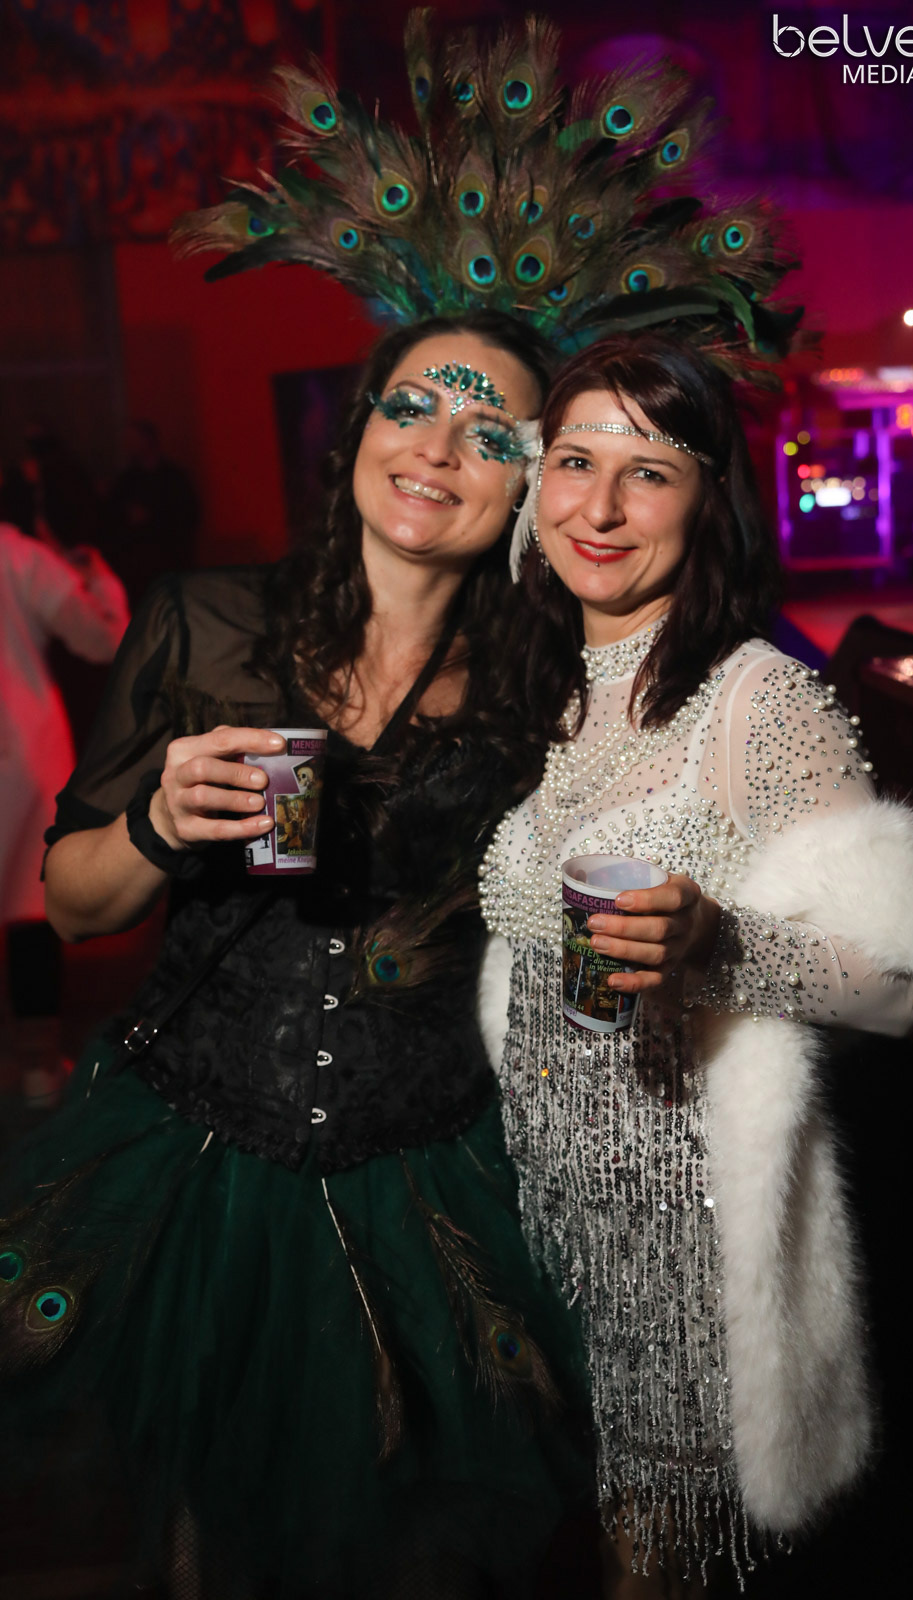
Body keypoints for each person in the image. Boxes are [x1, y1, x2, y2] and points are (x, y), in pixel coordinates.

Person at [4, 313, 595, 1599]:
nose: (436, 447)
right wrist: (159, 823)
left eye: (487, 432)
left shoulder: (547, 685)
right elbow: (72, 907)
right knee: (204, 1542)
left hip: (430, 1177)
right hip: (194, 1163)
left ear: (528, 484)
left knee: (412, 1552)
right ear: (358, 428)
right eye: (410, 406)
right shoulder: (206, 621)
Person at [478, 333, 913, 1597]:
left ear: (707, 502)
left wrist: (719, 943)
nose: (597, 507)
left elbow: (904, 982)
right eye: (574, 461)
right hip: (549, 1222)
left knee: (657, 1567)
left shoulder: (760, 699)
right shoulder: (547, 686)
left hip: (682, 1242)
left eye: (647, 472)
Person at [0, 524, 128, 1104]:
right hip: (22, 753)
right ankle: (37, 1067)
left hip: (20, 756)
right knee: (31, 909)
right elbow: (103, 639)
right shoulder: (18, 554)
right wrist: (93, 576)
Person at [103, 421, 199, 604]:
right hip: (137, 568)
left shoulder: (173, 478)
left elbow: (187, 515)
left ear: (148, 440)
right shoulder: (127, 480)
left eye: (133, 439)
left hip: (168, 562)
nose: (128, 445)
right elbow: (112, 516)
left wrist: (153, 516)